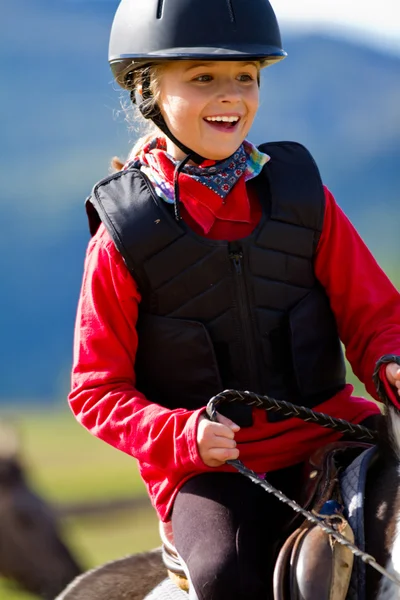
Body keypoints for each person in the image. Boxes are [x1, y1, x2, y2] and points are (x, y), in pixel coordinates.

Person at [69, 0, 400, 598]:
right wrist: (182, 436)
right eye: (203, 78)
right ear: (148, 89)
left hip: (334, 434)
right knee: (228, 574)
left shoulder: (304, 198)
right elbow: (96, 391)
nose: (231, 96)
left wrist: (390, 362)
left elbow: (376, 314)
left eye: (245, 77)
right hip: (214, 469)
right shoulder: (124, 236)